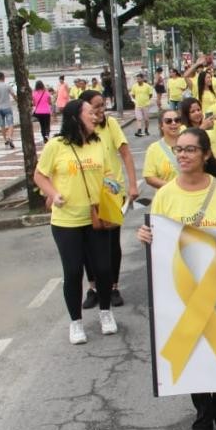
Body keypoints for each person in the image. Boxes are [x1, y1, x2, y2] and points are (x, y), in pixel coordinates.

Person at [137, 126, 216, 430]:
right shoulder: (166, 194)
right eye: (179, 149)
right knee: (193, 356)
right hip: (182, 292)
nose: (182, 155)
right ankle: (202, 418)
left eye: (189, 149)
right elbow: (154, 234)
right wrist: (143, 236)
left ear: (206, 154)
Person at [33, 98, 117, 344]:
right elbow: (39, 175)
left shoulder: (98, 142)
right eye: (90, 112)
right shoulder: (56, 146)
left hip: (97, 218)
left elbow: (107, 173)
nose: (96, 115)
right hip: (66, 221)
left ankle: (105, 313)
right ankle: (76, 322)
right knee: (72, 272)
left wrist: (112, 186)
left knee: (103, 268)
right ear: (75, 117)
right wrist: (53, 194)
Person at [82, 90, 139, 310]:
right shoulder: (82, 129)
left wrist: (132, 184)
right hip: (88, 195)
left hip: (113, 193)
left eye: (102, 105)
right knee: (88, 242)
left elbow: (125, 153)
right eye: (95, 107)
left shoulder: (111, 125)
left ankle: (113, 286)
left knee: (111, 242)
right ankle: (93, 287)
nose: (100, 110)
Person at [143, 108, 182, 190]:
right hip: (167, 198)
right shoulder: (153, 149)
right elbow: (149, 177)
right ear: (161, 126)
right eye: (168, 121)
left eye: (177, 120)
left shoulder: (190, 144)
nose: (173, 123)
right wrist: (172, 187)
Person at [0, 72, 16, 149]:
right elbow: (13, 95)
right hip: (7, 107)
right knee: (10, 124)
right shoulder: (7, 86)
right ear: (3, 77)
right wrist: (17, 101)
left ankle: (5, 140)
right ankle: (10, 138)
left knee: (2, 126)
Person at [129, 72, 155, 137]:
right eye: (137, 79)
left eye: (139, 79)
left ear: (143, 79)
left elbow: (150, 95)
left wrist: (146, 100)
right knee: (139, 118)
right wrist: (137, 100)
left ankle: (146, 130)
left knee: (146, 119)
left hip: (145, 105)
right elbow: (133, 94)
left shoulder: (147, 86)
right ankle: (139, 130)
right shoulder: (134, 86)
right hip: (138, 105)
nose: (138, 80)